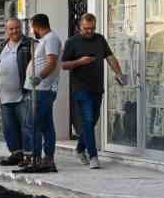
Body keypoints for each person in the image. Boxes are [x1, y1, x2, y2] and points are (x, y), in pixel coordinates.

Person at [59, 13, 126, 170]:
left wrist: (119, 73)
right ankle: (93, 156)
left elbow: (110, 57)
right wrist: (79, 62)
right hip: (81, 88)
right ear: (79, 26)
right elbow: (63, 65)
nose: (89, 31)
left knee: (93, 121)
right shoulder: (72, 42)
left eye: (92, 28)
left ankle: (80, 148)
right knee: (88, 120)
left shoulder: (99, 39)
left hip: (97, 87)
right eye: (86, 28)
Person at [18, 13, 62, 174]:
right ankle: (47, 160)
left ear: (37, 26)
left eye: (32, 27)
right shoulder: (44, 40)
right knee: (46, 125)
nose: (31, 30)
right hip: (40, 88)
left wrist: (39, 77)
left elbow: (52, 62)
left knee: (34, 124)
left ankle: (37, 159)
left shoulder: (50, 39)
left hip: (43, 89)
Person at [0, 18, 33, 166]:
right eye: (11, 29)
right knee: (9, 128)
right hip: (4, 96)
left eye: (17, 28)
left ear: (21, 27)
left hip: (23, 94)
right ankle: (16, 154)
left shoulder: (29, 44)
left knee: (27, 126)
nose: (14, 31)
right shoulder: (2, 46)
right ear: (7, 30)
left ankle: (29, 156)